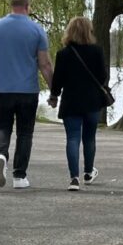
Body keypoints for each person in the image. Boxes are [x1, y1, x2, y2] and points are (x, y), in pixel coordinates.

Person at [0, 0, 53, 189]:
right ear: (27, 6)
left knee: (2, 127)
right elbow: (45, 64)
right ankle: (19, 176)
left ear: (11, 5)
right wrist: (54, 91)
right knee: (25, 133)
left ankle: (1, 154)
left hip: (1, 89)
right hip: (27, 90)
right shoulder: (37, 30)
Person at [48, 16, 110, 189]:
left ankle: (74, 178)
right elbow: (103, 75)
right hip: (92, 101)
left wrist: (54, 96)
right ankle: (88, 173)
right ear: (88, 31)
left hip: (71, 102)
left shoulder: (63, 53)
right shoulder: (97, 51)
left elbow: (57, 79)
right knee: (89, 138)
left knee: (73, 138)